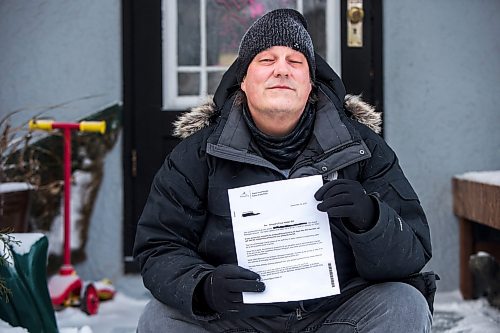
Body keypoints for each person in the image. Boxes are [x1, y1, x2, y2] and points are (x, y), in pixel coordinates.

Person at [133, 8, 437, 333]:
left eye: (295, 62)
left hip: (335, 313)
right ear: (244, 82)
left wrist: (370, 219)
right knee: (159, 318)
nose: (282, 70)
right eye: (266, 61)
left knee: (405, 303)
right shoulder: (197, 154)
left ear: (310, 84)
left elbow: (414, 250)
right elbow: (159, 246)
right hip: (239, 319)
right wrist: (203, 287)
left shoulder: (361, 148)